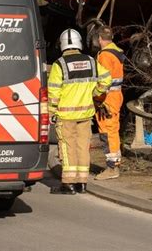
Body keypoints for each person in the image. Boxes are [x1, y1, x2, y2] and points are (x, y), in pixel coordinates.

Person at [48, 28, 111, 194]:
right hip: (85, 115)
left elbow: (54, 92)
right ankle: (82, 183)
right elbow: (106, 79)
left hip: (66, 115)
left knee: (68, 149)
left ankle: (68, 183)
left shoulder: (59, 65)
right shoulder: (91, 61)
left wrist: (51, 112)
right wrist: (95, 93)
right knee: (83, 147)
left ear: (62, 45)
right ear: (79, 43)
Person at [93, 25, 125, 180]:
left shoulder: (105, 56)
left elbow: (103, 81)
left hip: (107, 100)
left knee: (107, 131)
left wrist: (96, 98)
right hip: (115, 96)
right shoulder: (117, 52)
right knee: (113, 130)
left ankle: (112, 168)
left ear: (99, 39)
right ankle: (115, 163)